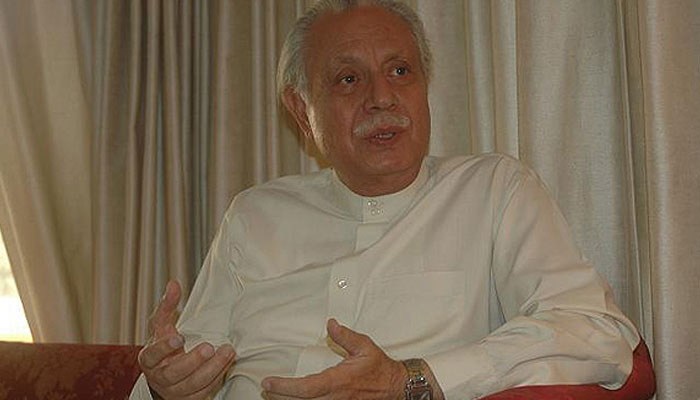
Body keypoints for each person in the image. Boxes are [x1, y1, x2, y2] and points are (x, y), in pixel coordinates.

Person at [130, 1, 640, 399]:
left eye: (400, 71)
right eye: (349, 79)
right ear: (301, 111)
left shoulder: (495, 191)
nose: (381, 98)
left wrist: (411, 381)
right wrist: (165, 386)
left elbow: (595, 332)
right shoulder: (253, 215)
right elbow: (185, 369)